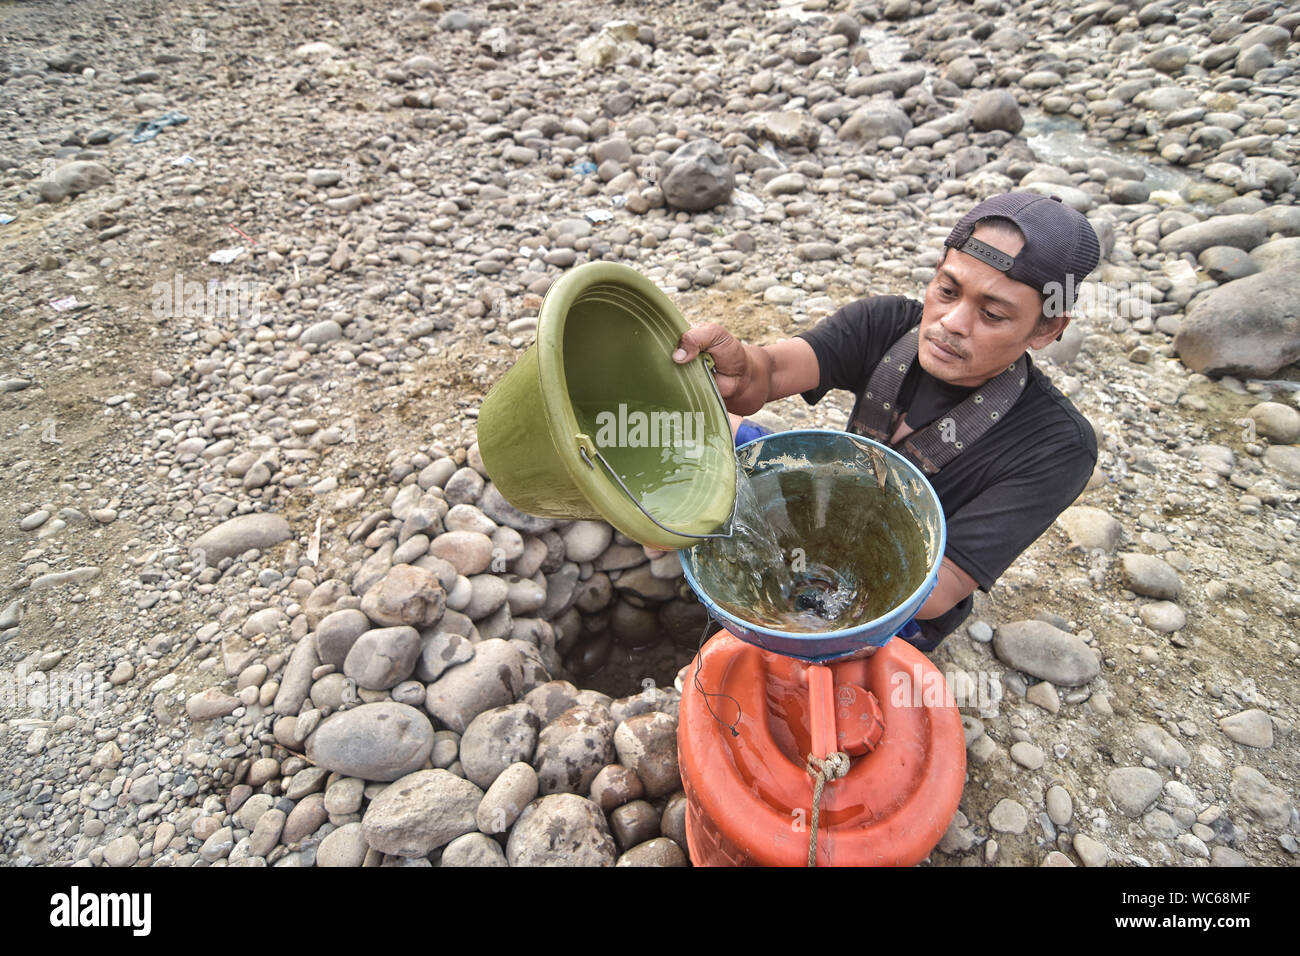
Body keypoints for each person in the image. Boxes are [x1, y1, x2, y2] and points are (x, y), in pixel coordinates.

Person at [670, 191, 1103, 653]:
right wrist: (739, 372)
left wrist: (794, 625)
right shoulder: (886, 324)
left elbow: (944, 585)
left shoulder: (1057, 444)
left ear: (1046, 330)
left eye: (992, 314)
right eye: (947, 291)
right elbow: (771, 371)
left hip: (904, 605)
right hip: (828, 510)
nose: (952, 323)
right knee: (727, 431)